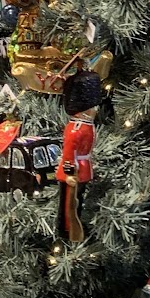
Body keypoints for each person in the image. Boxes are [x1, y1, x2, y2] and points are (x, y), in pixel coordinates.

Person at [57, 70, 102, 242]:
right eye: (92, 107)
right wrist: (69, 174)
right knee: (70, 204)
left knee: (78, 200)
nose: (95, 110)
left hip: (83, 168)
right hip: (74, 171)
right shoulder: (76, 129)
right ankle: (67, 232)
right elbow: (69, 153)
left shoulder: (85, 125)